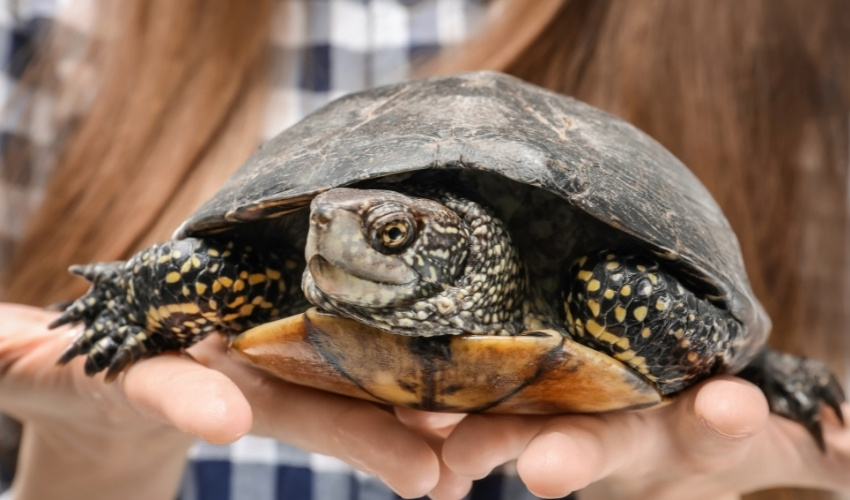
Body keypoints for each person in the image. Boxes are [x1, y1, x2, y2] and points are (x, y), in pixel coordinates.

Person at [0, 1, 847, 500]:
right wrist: (91, 455)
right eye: (328, 223)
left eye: (389, 233)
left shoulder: (787, 38)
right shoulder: (60, 31)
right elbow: (198, 271)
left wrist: (733, 371)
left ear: (458, 249)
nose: (330, 236)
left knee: (633, 299)